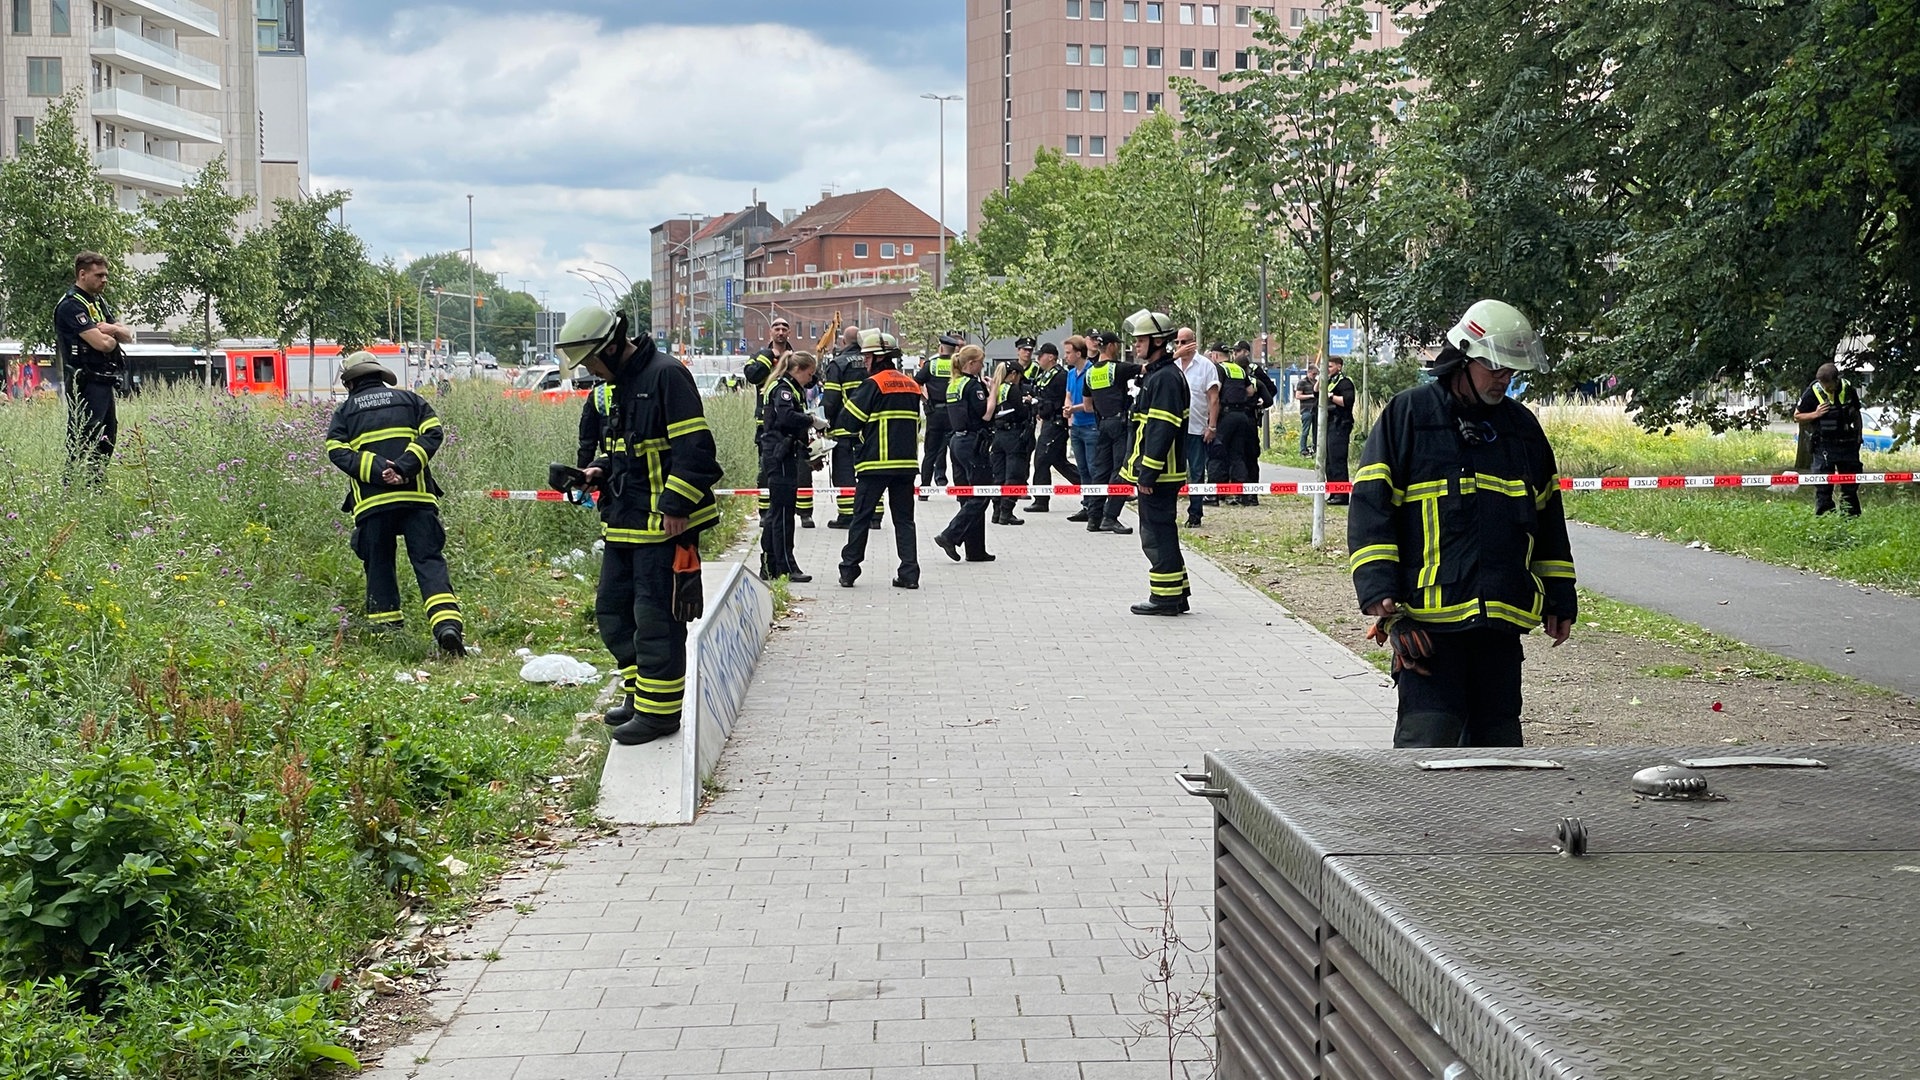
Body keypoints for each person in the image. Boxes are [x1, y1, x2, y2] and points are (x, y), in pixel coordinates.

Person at [1348, 299, 1576, 748]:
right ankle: (1422, 824)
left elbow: (1547, 516)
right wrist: (1378, 593)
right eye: (1495, 367)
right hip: (1428, 629)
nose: (1504, 378)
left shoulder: (1521, 428)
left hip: (1500, 626)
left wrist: (1560, 595)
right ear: (1463, 357)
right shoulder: (1408, 415)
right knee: (1427, 752)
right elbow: (1371, 507)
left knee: (1498, 755)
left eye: (1511, 369)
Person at [556, 306, 723, 747]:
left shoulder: (667, 375)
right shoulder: (619, 386)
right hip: (625, 520)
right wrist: (594, 470)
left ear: (612, 347)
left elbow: (696, 449)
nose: (590, 370)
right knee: (613, 613)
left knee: (658, 620)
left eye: (592, 360)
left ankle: (660, 714)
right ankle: (639, 695)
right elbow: (625, 451)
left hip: (663, 526)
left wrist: (675, 506)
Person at [324, 351, 465, 657]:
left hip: (374, 504)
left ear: (350, 382)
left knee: (379, 565)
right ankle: (447, 628)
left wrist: (377, 471)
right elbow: (434, 433)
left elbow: (336, 450)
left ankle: (388, 636)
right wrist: (403, 467)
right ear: (379, 375)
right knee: (428, 561)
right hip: (416, 498)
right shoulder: (411, 400)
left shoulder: (345, 412)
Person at [838, 331, 924, 589]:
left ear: (877, 358)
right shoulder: (912, 385)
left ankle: (849, 570)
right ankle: (909, 574)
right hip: (906, 465)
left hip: (874, 464)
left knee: (861, 518)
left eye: (866, 357)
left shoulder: (873, 384)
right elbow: (917, 424)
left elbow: (849, 421)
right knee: (905, 520)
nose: (864, 362)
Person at [1118, 311, 1191, 614]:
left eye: (1141, 340)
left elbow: (1160, 430)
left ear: (1158, 342)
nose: (1135, 345)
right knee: (1162, 531)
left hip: (1159, 474)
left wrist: (1147, 474)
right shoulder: (1160, 375)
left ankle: (1164, 599)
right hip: (1161, 472)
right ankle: (1178, 593)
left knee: (1155, 534)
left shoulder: (1164, 379)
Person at [54, 252, 135, 483]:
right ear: (82, 274)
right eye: (99, 275)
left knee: (107, 438)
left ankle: (96, 486)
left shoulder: (97, 302)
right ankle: (74, 490)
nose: (104, 279)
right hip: (85, 382)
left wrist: (113, 331)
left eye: (106, 275)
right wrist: (112, 334)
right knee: (84, 438)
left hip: (103, 381)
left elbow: (127, 335)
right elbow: (102, 343)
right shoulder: (71, 305)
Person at [758, 351, 826, 582]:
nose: (811, 378)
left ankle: (769, 565)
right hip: (780, 454)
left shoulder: (786, 387)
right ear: (799, 369)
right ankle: (786, 566)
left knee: (776, 512)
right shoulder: (784, 388)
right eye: (809, 373)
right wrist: (810, 419)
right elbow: (786, 418)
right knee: (784, 514)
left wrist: (810, 451)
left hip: (782, 451)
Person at [745, 317, 813, 529]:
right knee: (767, 470)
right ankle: (766, 513)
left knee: (802, 469)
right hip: (767, 425)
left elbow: (811, 379)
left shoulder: (796, 357)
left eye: (784, 328)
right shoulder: (760, 357)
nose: (781, 331)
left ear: (789, 332)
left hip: (793, 422)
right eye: (777, 328)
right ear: (770, 332)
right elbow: (752, 375)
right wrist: (768, 357)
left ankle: (804, 513)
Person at [934, 344, 997, 564]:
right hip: (972, 442)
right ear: (971, 364)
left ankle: (976, 550)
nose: (982, 365)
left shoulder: (953, 384)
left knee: (967, 495)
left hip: (957, 442)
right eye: (980, 362)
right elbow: (986, 414)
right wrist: (994, 391)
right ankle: (950, 535)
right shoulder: (971, 386)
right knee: (981, 494)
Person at [1085, 329, 1143, 534]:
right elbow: (1146, 369)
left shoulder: (1090, 372)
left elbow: (1087, 405)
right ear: (1111, 346)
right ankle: (1110, 517)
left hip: (1102, 425)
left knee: (1100, 472)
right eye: (1117, 345)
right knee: (1121, 471)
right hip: (1120, 424)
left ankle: (1094, 519)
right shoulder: (1118, 368)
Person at [1793, 362, 1865, 516]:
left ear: (1837, 379)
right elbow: (1797, 416)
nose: (1826, 388)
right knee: (1823, 487)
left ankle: (1851, 520)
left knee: (1850, 486)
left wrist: (1859, 436)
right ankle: (1826, 521)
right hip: (1824, 446)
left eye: (1829, 385)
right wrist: (1816, 414)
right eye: (1823, 384)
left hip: (1848, 445)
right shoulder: (1813, 391)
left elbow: (1856, 413)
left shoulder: (1848, 388)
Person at [821, 326, 871, 528]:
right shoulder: (872, 361)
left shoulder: (838, 364)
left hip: (844, 430)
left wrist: (823, 422)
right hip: (869, 430)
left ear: (844, 342)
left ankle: (847, 516)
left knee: (844, 472)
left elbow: (831, 399)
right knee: (869, 472)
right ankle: (875, 516)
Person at [1172, 331, 1220, 529]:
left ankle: (1195, 513)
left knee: (1197, 472)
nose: (1181, 345)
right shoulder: (1172, 365)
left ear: (1194, 343)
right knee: (1173, 473)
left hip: (1196, 428)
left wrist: (1212, 426)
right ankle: (1169, 512)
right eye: (1177, 342)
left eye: (1185, 342)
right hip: (1173, 428)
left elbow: (1214, 399)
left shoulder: (1206, 366)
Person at [1025, 342, 1079, 513]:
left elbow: (1057, 400)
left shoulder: (1060, 376)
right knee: (1059, 462)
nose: (1038, 359)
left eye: (1041, 355)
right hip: (1048, 421)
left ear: (1050, 357)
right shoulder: (1044, 374)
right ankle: (1090, 488)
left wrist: (1039, 403)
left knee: (1041, 460)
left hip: (1056, 423)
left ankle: (1041, 500)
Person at [916, 330, 965, 499]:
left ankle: (924, 490)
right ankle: (961, 491)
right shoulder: (959, 366)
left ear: (940, 348)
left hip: (935, 413)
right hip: (955, 413)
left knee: (930, 453)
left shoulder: (931, 365)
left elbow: (916, 383)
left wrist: (925, 400)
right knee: (957, 453)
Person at [987, 353, 1034, 526]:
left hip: (998, 436)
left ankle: (996, 511)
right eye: (1019, 377)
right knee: (1014, 474)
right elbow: (1020, 413)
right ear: (1013, 374)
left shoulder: (996, 388)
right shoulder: (1012, 388)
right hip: (1013, 436)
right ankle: (1007, 513)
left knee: (998, 475)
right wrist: (1028, 404)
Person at [1062, 335, 1100, 522]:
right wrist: (1067, 408)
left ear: (1079, 353)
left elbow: (1090, 404)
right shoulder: (1070, 373)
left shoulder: (1091, 372)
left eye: (1069, 353)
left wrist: (1073, 408)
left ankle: (1096, 506)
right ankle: (1086, 504)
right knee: (1083, 469)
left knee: (1093, 467)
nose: (1066, 356)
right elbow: (1068, 394)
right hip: (1076, 426)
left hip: (1090, 425)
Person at [1237, 341, 1278, 498]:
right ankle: (1246, 493)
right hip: (1245, 418)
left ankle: (1246, 493)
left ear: (1246, 352)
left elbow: (1271, 390)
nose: (1236, 354)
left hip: (1247, 416)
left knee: (1246, 454)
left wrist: (1260, 402)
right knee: (1244, 454)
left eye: (1238, 351)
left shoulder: (1255, 371)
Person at [1323, 355, 1356, 505]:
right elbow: (1317, 393)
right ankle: (1333, 491)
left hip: (1340, 424)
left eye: (1329, 366)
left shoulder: (1345, 383)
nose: (1327, 369)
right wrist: (1320, 379)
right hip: (1329, 424)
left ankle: (1342, 495)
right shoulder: (1329, 382)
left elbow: (1347, 401)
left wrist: (1330, 396)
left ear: (1339, 366)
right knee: (1328, 461)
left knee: (1337, 460)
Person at [1294, 365, 1320, 457]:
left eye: (1316, 374)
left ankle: (1315, 447)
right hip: (1306, 409)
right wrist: (1311, 396)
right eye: (1313, 374)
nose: (1314, 376)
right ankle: (1303, 449)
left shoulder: (1316, 382)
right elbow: (1298, 396)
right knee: (1306, 430)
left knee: (1316, 430)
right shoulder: (1302, 382)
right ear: (1308, 372)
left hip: (1316, 409)